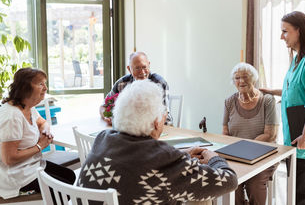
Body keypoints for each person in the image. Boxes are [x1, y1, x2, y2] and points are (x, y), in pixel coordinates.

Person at [79, 80, 238, 204]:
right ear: (156, 121)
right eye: (164, 114)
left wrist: (180, 155)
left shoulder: (103, 139)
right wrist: (213, 158)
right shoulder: (164, 163)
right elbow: (229, 180)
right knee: (200, 198)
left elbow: (136, 161)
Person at [261, 11, 305, 205]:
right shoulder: (297, 60)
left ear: (299, 31)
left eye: (285, 31)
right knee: (299, 191)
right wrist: (268, 91)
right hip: (296, 136)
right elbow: (293, 92)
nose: (281, 36)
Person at [0, 68, 76, 200]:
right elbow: (8, 158)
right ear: (25, 87)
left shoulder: (27, 106)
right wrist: (40, 146)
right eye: (40, 84)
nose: (45, 88)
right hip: (16, 176)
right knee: (64, 190)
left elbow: (42, 122)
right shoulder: (12, 116)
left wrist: (46, 130)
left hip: (31, 166)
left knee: (70, 177)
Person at [223, 62, 279, 205]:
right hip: (236, 155)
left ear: (253, 78)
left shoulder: (267, 100)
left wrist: (246, 150)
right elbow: (225, 132)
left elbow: (270, 134)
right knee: (229, 179)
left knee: (254, 182)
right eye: (237, 78)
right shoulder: (229, 101)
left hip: (264, 154)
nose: (241, 81)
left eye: (245, 77)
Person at [99, 51, 172, 125]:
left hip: (159, 127)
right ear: (129, 69)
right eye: (137, 68)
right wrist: (106, 117)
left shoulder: (159, 83)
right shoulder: (121, 83)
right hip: (130, 128)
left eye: (144, 67)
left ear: (149, 65)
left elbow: (164, 114)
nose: (142, 72)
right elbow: (104, 106)